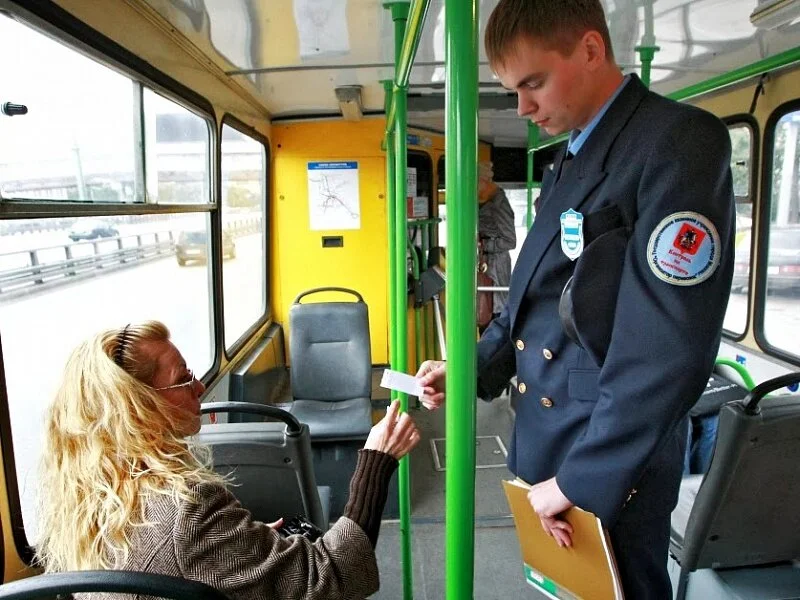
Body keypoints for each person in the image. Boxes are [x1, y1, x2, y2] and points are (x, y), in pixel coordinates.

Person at [416, 0, 734, 596]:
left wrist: (580, 480)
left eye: (533, 83)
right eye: (513, 90)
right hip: (551, 439)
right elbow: (533, 304)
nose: (522, 107)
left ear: (590, 50)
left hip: (608, 454)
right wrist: (470, 369)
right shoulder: (571, 157)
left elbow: (667, 345)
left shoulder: (677, 142)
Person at [36, 320, 420, 600]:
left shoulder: (83, 500)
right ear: (139, 408)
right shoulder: (189, 509)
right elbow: (328, 578)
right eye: (184, 378)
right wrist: (377, 460)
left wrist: (240, 544)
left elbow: (176, 562)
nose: (200, 387)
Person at [477, 160, 517, 326]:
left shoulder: (499, 204)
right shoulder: (483, 200)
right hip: (484, 263)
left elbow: (510, 241)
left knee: (494, 314)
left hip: (496, 269)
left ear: (483, 181)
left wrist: (484, 246)